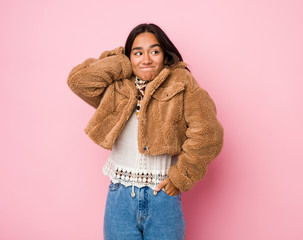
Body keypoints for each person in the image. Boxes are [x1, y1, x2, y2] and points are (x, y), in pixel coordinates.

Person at [67, 23, 224, 240]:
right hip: (119, 197)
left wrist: (181, 177)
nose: (147, 59)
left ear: (164, 55)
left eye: (154, 51)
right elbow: (78, 81)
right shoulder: (117, 87)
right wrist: (123, 62)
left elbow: (208, 132)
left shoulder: (181, 82)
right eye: (138, 53)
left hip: (163, 198)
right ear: (128, 56)